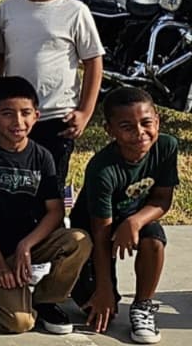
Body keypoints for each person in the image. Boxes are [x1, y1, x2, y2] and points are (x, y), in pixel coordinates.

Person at [0, 76, 91, 336]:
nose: (18, 122)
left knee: (79, 240)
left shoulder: (42, 156)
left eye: (26, 113)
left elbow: (55, 211)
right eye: (7, 114)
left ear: (36, 116)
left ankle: (45, 300)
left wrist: (26, 245)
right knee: (19, 324)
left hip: (29, 246)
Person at [0, 0, 104, 189]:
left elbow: (93, 62)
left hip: (57, 115)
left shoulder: (75, 12)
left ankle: (56, 214)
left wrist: (85, 112)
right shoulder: (8, 9)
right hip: (16, 115)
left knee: (50, 186)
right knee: (13, 182)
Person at [72, 87, 177, 344]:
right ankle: (82, 281)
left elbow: (162, 200)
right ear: (109, 130)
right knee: (98, 308)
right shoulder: (102, 169)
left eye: (146, 123)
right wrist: (104, 287)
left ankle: (143, 305)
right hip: (94, 227)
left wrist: (135, 221)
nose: (140, 133)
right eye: (127, 127)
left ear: (157, 121)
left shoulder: (166, 146)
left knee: (154, 240)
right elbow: (101, 235)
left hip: (134, 216)